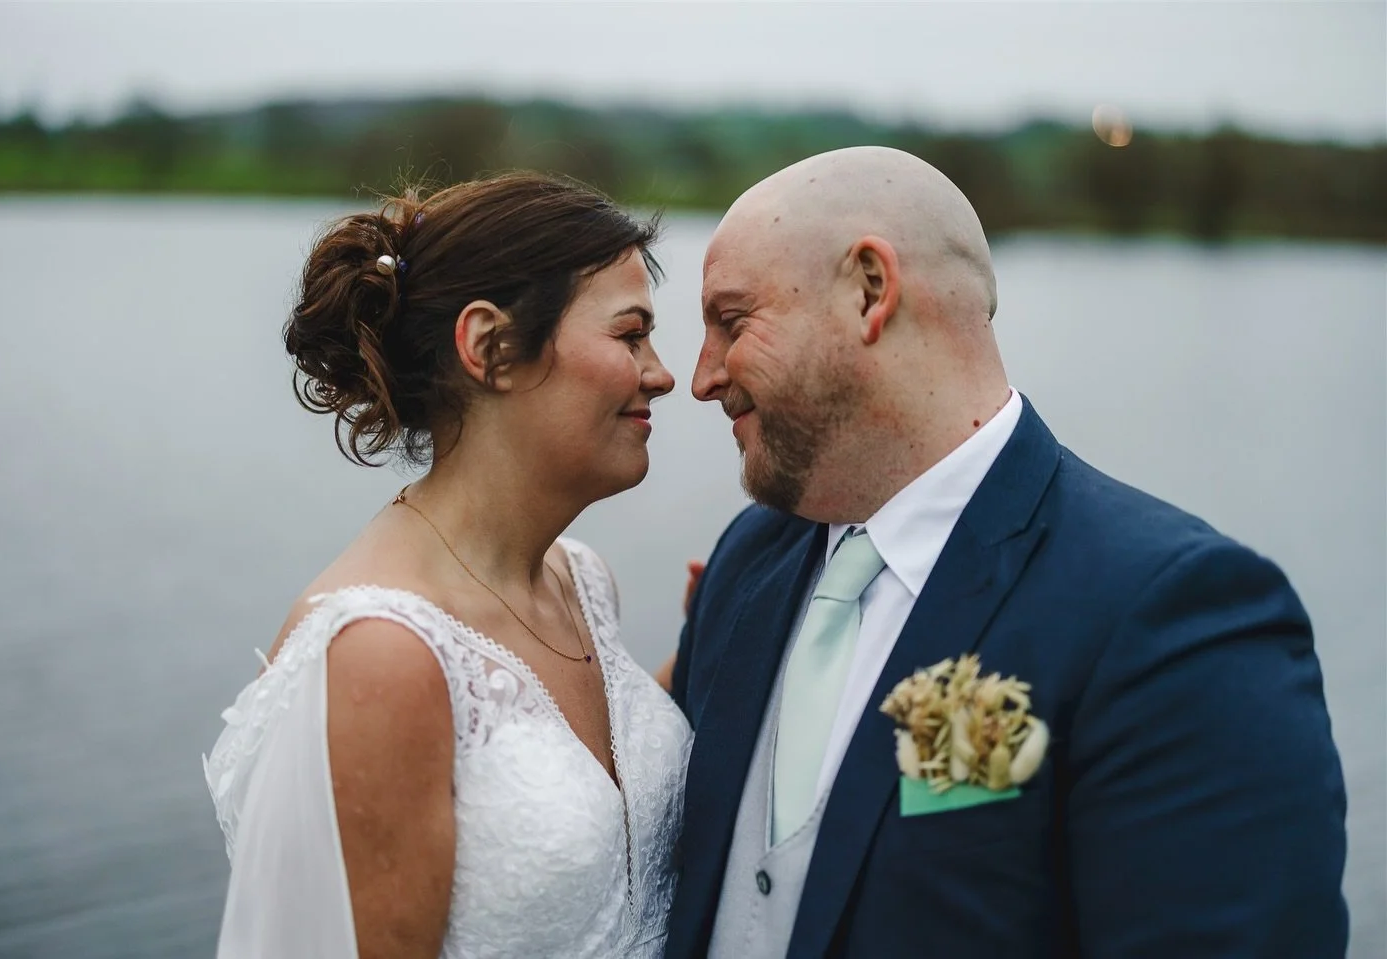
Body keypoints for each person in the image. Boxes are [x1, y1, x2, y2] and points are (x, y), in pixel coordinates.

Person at [664, 146, 1348, 958]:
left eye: (733, 321)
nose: (701, 377)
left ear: (870, 291)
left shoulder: (1173, 616)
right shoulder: (748, 561)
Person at [203, 172, 691, 958]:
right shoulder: (381, 652)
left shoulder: (581, 581)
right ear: (489, 346)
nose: (662, 372)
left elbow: (588, 806)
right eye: (630, 334)